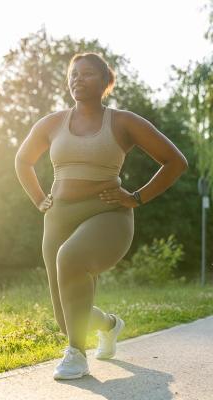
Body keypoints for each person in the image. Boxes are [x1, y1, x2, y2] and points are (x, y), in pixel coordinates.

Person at [14, 52, 188, 380]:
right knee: (66, 317)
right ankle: (109, 325)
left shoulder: (123, 122)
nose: (78, 79)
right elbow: (22, 161)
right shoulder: (51, 123)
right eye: (73, 74)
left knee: (71, 258)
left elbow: (175, 162)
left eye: (88, 74)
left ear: (106, 82)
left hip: (109, 214)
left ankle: (76, 355)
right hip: (59, 218)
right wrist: (39, 199)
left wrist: (136, 197)